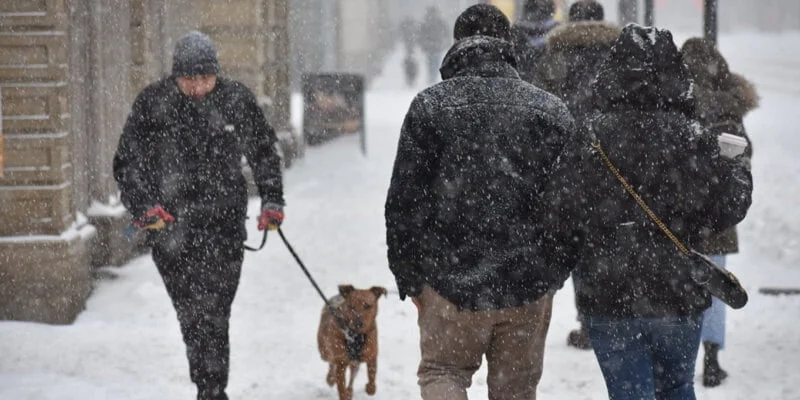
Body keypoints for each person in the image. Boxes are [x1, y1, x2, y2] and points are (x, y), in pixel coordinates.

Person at [542, 25, 753, 400]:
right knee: (676, 387)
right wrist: (737, 168)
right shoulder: (692, 136)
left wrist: (560, 265)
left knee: (628, 392)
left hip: (608, 293)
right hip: (679, 294)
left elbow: (561, 212)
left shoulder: (590, 136)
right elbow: (727, 208)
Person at [385, 5, 577, 400]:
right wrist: (553, 272)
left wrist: (411, 279)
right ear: (509, 45)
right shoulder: (550, 111)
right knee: (516, 390)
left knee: (443, 372)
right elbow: (572, 204)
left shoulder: (430, 107)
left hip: (448, 279)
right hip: (527, 281)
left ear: (457, 44)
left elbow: (404, 201)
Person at [113, 31, 285, 400]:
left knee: (215, 311)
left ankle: (212, 388)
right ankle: (208, 386)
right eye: (189, 79)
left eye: (205, 79)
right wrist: (144, 207)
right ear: (176, 76)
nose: (197, 87)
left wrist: (272, 200)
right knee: (191, 315)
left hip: (223, 226)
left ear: (216, 75)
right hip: (170, 229)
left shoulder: (235, 99)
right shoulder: (153, 103)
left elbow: (264, 151)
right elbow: (127, 162)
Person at [536, 0, 621, 350]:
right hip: (614, 166)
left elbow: (541, 110)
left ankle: (589, 321)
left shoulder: (554, 58)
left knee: (579, 247)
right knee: (614, 243)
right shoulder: (619, 58)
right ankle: (618, 315)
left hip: (569, 168)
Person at [681, 37, 760, 388]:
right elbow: (744, 154)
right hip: (719, 218)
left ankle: (683, 355)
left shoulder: (674, 100)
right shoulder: (728, 106)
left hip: (680, 215)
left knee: (681, 285)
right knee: (717, 287)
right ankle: (712, 358)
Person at [512, 0, 560, 85]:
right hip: (550, 88)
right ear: (552, 10)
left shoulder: (515, 32)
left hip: (520, 86)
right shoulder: (559, 34)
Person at [417, 6, 448, 84]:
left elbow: (421, 35)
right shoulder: (437, 22)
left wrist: (423, 43)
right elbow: (421, 34)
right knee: (432, 62)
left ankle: (432, 77)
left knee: (432, 62)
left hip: (433, 46)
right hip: (434, 46)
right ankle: (432, 77)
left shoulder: (428, 22)